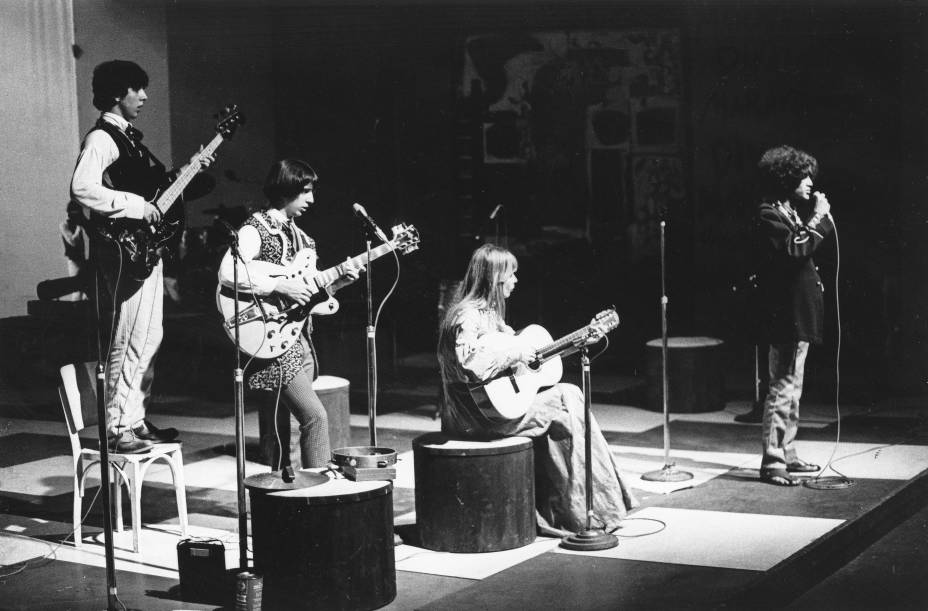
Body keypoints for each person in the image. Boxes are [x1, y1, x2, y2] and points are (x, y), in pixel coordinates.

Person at [437, 244, 637, 536]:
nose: (516, 281)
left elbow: (527, 358)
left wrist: (579, 340)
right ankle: (594, 510)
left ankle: (582, 510)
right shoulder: (466, 316)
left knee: (567, 404)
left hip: (490, 412)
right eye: (511, 274)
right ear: (494, 278)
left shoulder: (490, 316)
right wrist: (517, 351)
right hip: (473, 418)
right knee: (569, 398)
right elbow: (471, 365)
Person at [70, 60, 213, 453]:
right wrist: (135, 206)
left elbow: (158, 193)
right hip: (126, 252)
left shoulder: (130, 140)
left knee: (149, 335)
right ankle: (117, 427)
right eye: (139, 89)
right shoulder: (101, 138)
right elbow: (82, 188)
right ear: (119, 93)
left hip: (145, 249)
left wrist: (188, 171)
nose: (145, 97)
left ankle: (134, 418)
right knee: (128, 337)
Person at [217, 159, 362, 469]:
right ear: (287, 189)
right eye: (306, 192)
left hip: (300, 339)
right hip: (272, 340)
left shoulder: (304, 240)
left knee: (291, 427)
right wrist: (280, 285)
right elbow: (228, 271)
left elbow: (309, 297)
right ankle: (318, 490)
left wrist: (339, 282)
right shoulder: (255, 228)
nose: (311, 200)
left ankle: (294, 495)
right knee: (315, 417)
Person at [753, 145, 834, 486]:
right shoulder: (768, 214)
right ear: (786, 179)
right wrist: (819, 218)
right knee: (783, 384)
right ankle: (772, 460)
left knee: (793, 386)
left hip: (798, 310)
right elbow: (795, 249)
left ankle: (788, 453)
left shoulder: (788, 211)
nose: (810, 183)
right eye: (803, 176)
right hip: (785, 313)